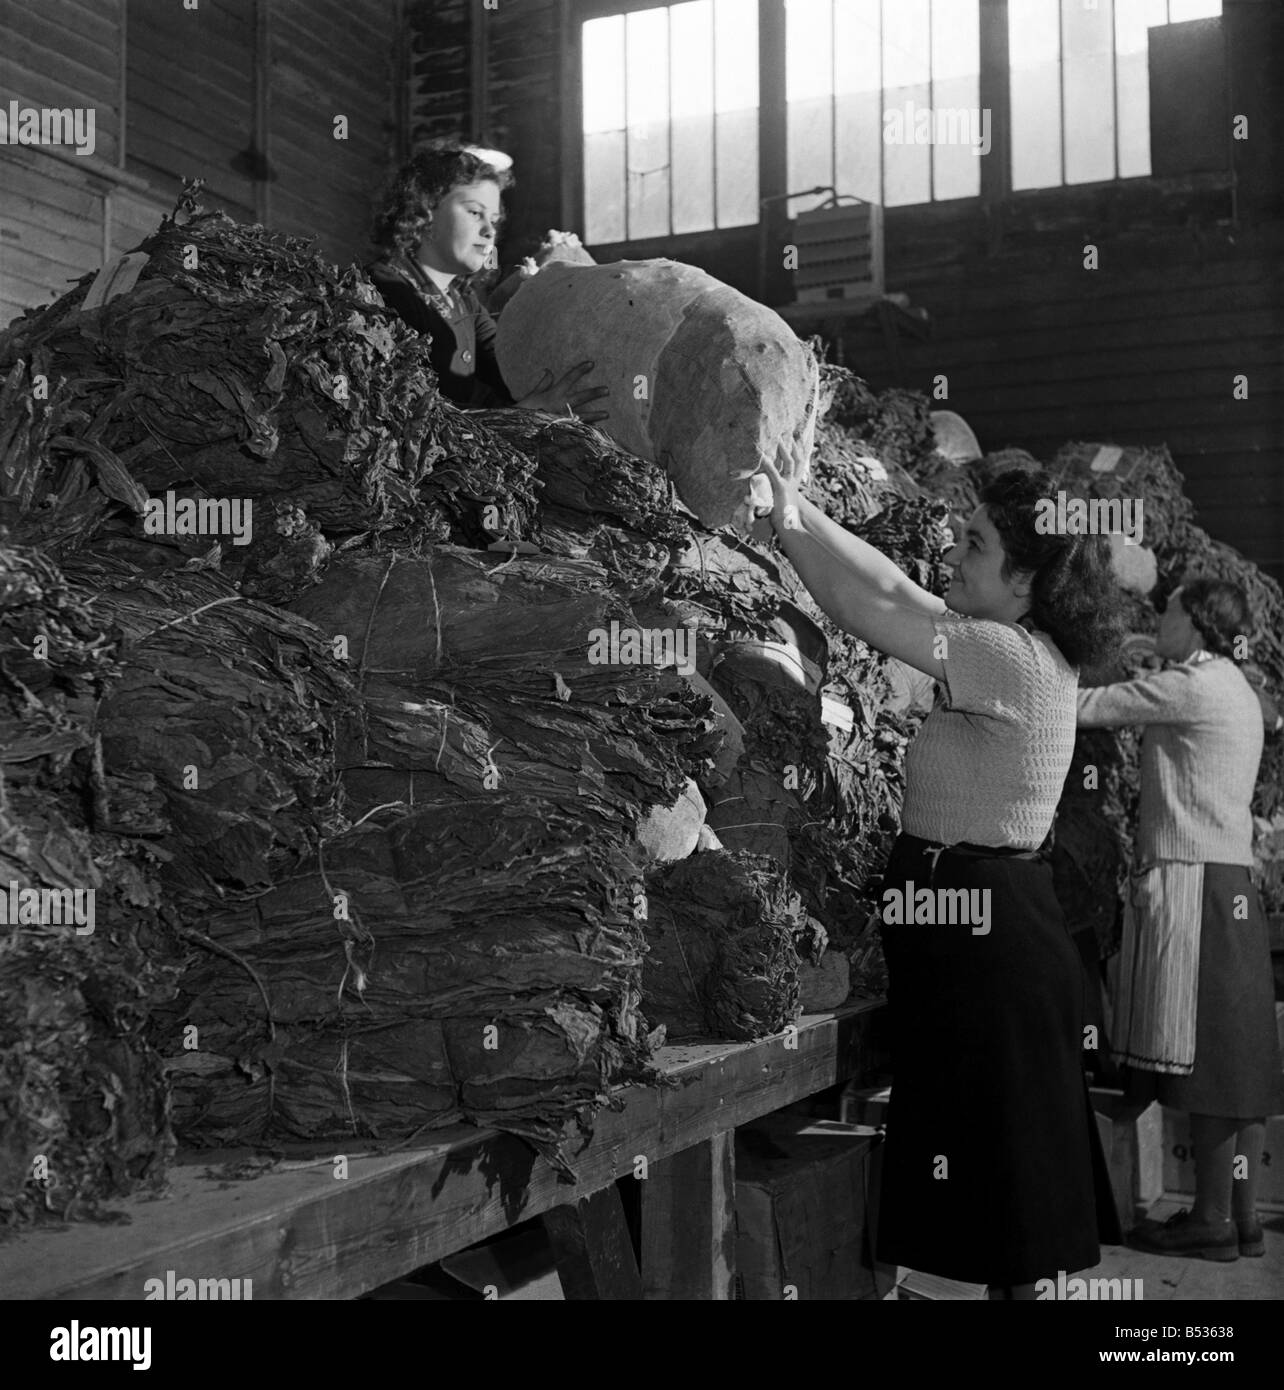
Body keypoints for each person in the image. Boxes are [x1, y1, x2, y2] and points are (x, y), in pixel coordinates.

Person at [755, 451, 1126, 1298]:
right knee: (1001, 1179)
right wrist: (800, 511)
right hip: (981, 925)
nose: (954, 555)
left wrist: (788, 531)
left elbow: (867, 610)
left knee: (997, 1179)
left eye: (977, 544)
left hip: (983, 933)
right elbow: (897, 591)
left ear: (1027, 579)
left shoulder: (1007, 657)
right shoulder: (1017, 648)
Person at [1077, 578, 1280, 1261]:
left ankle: (1211, 1220)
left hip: (1194, 885)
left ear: (1193, 623)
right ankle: (1242, 1220)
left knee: (1208, 1062)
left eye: (1168, 611)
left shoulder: (1190, 686)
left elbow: (1091, 707)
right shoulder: (1237, 687)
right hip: (1232, 884)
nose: (1158, 619)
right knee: (1240, 1060)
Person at [367, 140, 606, 416]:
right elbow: (403, 413)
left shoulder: (464, 301)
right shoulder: (384, 291)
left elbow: (510, 366)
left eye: (493, 220)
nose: (489, 231)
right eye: (474, 212)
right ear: (425, 211)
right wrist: (525, 414)